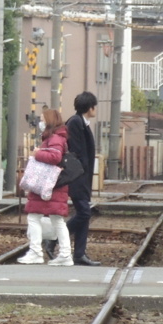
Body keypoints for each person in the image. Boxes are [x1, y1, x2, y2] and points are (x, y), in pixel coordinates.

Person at [17, 107, 74, 266]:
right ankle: (65, 254)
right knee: (57, 220)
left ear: (49, 121)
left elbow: (55, 157)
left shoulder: (55, 138)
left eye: (42, 120)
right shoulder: (57, 137)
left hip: (48, 184)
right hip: (53, 185)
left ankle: (36, 252)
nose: (40, 123)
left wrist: (37, 153)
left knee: (34, 217)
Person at [65, 91, 100, 266]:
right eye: (94, 106)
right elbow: (77, 151)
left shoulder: (82, 123)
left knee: (83, 215)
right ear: (89, 107)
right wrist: (83, 170)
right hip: (78, 177)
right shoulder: (75, 122)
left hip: (83, 177)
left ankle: (79, 254)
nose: (95, 109)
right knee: (85, 212)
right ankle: (56, 238)